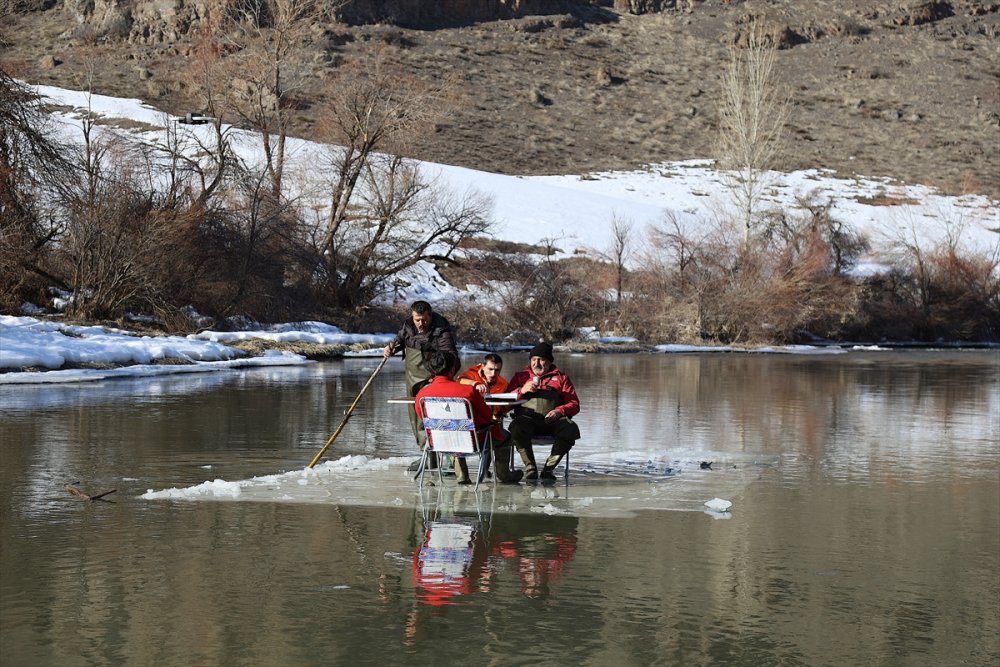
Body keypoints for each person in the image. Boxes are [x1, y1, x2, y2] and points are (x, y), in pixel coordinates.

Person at [414, 350, 524, 484]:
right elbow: (488, 415)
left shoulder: (422, 394)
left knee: (453, 431)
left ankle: (462, 476)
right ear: (453, 369)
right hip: (472, 440)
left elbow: (422, 417)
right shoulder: (467, 391)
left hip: (439, 442)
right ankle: (503, 476)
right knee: (504, 437)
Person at [384, 301, 458, 456]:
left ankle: (448, 456)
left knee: (435, 415)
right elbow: (400, 339)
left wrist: (441, 377)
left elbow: (451, 357)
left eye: (424, 320)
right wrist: (392, 347)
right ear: (412, 316)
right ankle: (426, 454)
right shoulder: (408, 325)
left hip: (434, 377)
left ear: (430, 315)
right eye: (417, 320)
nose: (420, 323)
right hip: (412, 376)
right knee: (416, 416)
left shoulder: (442, 330)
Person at [507, 342, 580, 483]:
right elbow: (505, 402)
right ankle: (530, 468)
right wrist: (521, 391)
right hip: (527, 421)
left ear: (549, 361)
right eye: (533, 359)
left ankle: (549, 468)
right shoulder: (520, 377)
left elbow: (574, 404)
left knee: (570, 428)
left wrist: (560, 411)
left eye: (541, 359)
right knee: (516, 426)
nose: (537, 363)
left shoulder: (561, 378)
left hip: (553, 422)